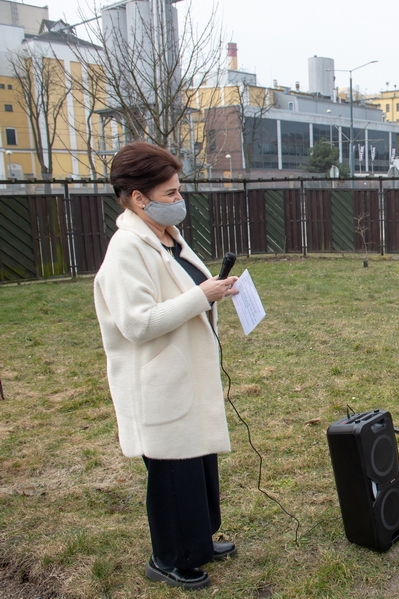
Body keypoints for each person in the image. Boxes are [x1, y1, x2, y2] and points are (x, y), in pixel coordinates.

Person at [94, 141, 240, 589]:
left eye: (178, 192)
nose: (179, 201)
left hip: (186, 373)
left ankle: (197, 542)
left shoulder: (167, 237)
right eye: (171, 193)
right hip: (157, 379)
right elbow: (137, 324)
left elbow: (186, 289)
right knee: (172, 476)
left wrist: (214, 288)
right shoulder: (126, 249)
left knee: (197, 466)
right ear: (140, 198)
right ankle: (167, 559)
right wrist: (203, 296)